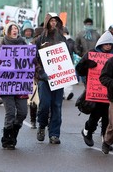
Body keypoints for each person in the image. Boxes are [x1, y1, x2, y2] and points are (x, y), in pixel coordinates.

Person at [76, 31, 113, 147]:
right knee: (96, 114)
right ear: (101, 44)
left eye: (110, 44)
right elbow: (79, 69)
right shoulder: (91, 54)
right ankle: (88, 131)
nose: (108, 46)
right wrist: (86, 64)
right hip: (95, 91)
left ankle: (106, 140)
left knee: (107, 116)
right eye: (106, 44)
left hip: (109, 92)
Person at [0, 21, 28, 150]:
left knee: (23, 112)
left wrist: (34, 62)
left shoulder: (25, 45)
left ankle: (14, 133)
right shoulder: (0, 48)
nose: (15, 30)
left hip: (21, 85)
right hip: (6, 85)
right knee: (10, 113)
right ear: (7, 31)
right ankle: (7, 139)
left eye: (16, 28)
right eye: (12, 28)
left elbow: (31, 64)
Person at [35, 12, 66, 144]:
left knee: (57, 105)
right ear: (47, 22)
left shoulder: (62, 39)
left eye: (56, 21)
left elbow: (67, 57)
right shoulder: (40, 40)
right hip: (44, 78)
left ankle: (54, 134)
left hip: (58, 77)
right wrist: (40, 72)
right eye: (51, 21)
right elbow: (34, 59)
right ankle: (42, 125)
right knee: (44, 105)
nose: (53, 23)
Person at [62, 26, 75, 100]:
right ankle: (63, 94)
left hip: (69, 62)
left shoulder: (71, 41)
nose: (64, 34)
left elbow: (76, 50)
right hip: (60, 62)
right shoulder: (58, 40)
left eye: (65, 33)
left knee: (68, 79)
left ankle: (68, 93)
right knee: (61, 79)